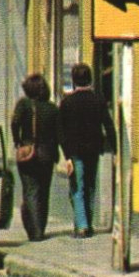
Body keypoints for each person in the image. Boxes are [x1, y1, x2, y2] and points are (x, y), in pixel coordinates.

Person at [58, 61, 116, 238]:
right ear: (90, 79)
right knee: (90, 186)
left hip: (75, 151)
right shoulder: (98, 100)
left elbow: (61, 131)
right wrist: (114, 149)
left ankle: (82, 226)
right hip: (94, 150)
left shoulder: (67, 102)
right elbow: (109, 125)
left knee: (77, 187)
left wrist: (66, 154)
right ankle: (87, 222)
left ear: (74, 80)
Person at [11, 72, 61, 241]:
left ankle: (35, 231)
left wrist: (18, 142)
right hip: (47, 155)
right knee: (44, 191)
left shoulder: (23, 105)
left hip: (28, 154)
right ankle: (41, 227)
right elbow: (58, 133)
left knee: (30, 191)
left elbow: (14, 123)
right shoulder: (52, 108)